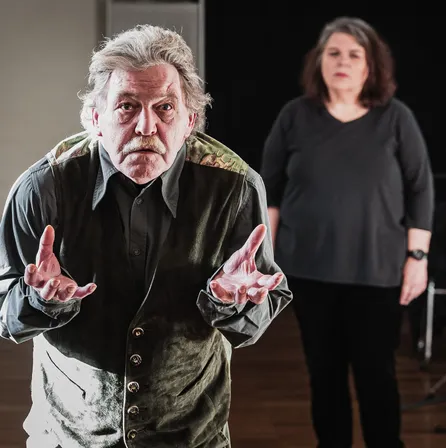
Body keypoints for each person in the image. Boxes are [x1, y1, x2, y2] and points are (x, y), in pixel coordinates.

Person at [0, 24, 292, 448]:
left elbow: (259, 315)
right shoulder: (44, 187)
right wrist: (40, 300)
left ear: (190, 121)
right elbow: (5, 312)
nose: (146, 126)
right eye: (127, 106)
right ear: (95, 119)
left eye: (165, 108)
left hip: (191, 434)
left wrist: (231, 303)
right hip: (69, 435)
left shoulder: (236, 188)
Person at [260, 16, 434, 448]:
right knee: (324, 375)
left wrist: (417, 258)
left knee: (377, 375)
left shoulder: (396, 118)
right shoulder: (294, 116)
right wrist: (266, 260)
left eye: (354, 55)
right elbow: (269, 190)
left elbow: (420, 188)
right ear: (318, 61)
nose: (343, 62)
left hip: (377, 273)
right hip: (310, 270)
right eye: (333, 53)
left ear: (371, 65)